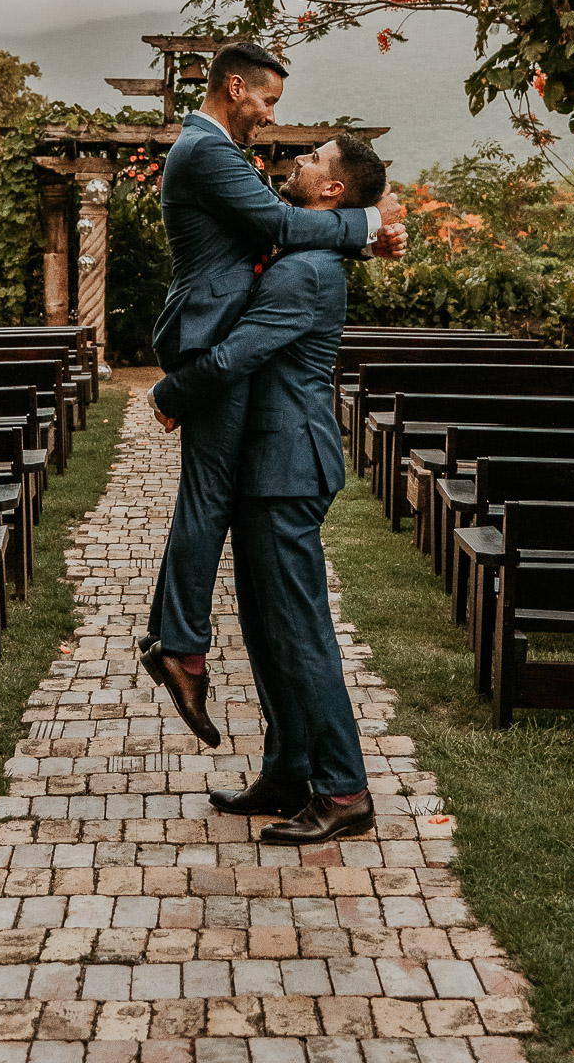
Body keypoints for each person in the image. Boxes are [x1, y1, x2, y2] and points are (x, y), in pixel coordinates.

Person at [141, 40, 403, 745]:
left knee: (208, 492)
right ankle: (179, 646)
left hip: (209, 333)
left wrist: (358, 240)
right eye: (267, 99)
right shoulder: (206, 150)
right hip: (207, 334)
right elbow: (284, 225)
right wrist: (370, 224)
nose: (269, 117)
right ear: (234, 87)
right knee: (209, 493)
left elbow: (284, 236)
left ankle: (178, 642)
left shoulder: (212, 151)